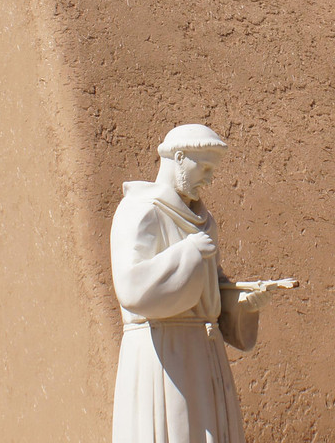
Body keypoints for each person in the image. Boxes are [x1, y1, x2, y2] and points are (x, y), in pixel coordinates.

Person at [110, 124, 270, 443]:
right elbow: (131, 287)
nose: (210, 179)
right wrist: (189, 253)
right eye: (206, 168)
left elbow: (209, 288)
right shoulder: (141, 210)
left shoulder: (202, 221)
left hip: (203, 354)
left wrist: (241, 300)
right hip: (164, 355)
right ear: (180, 158)